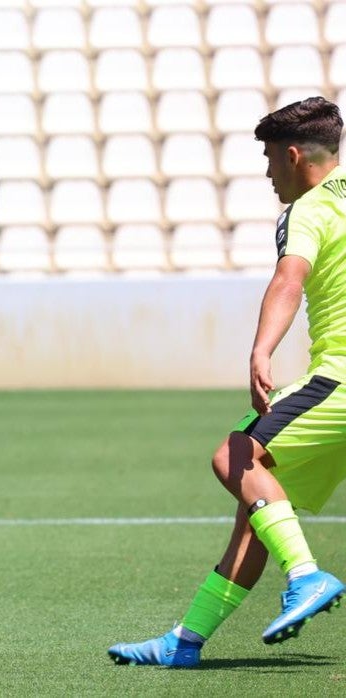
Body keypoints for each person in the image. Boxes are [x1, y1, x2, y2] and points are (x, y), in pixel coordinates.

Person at [108, 97, 346, 667]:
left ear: (294, 156)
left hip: (339, 377)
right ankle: (184, 642)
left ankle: (306, 575)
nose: (267, 174)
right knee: (258, 504)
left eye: (269, 159)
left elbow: (290, 278)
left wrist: (261, 349)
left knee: (234, 455)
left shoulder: (308, 210)